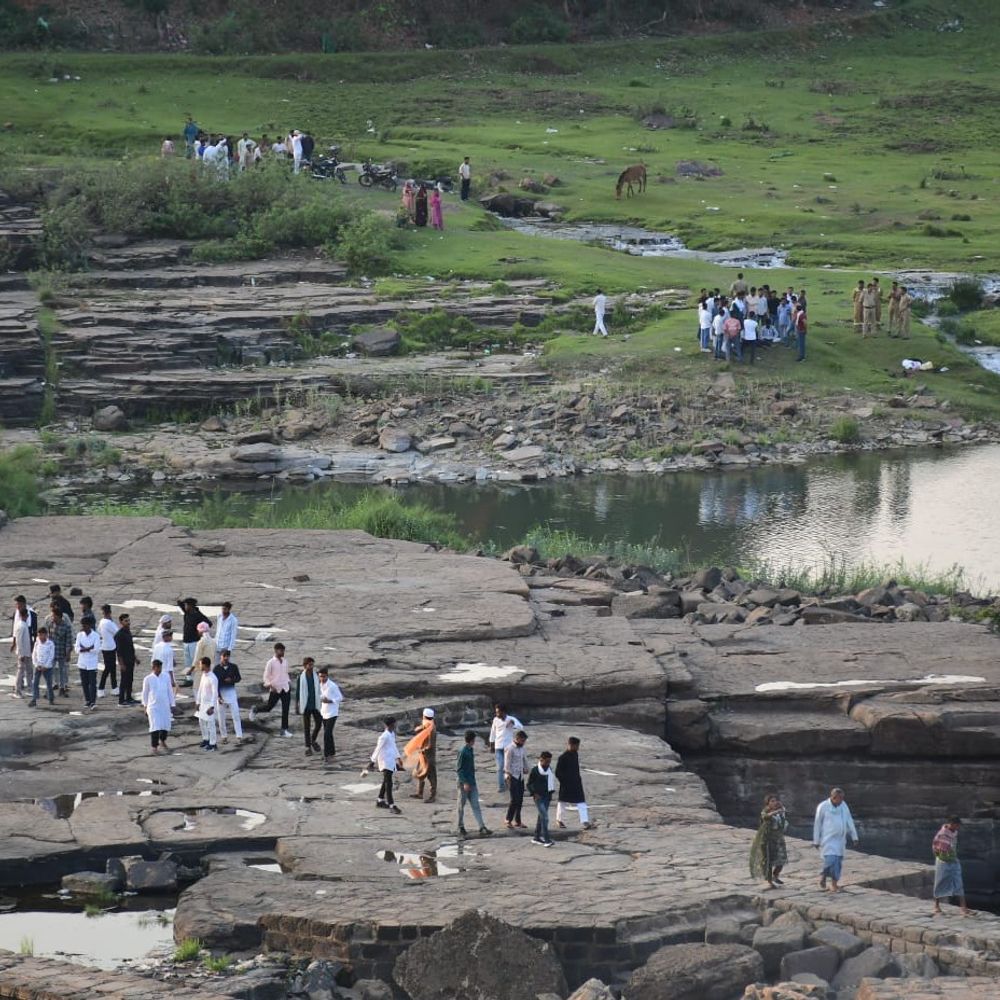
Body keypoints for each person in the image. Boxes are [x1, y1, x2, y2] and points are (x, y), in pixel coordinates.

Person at [813, 787, 859, 892]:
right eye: (840, 798)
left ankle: (834, 884)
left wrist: (854, 836)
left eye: (842, 798)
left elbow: (849, 820)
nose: (842, 800)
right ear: (833, 797)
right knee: (830, 860)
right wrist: (816, 840)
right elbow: (817, 824)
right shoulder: (823, 807)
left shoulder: (843, 806)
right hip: (828, 839)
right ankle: (824, 874)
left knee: (837, 863)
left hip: (840, 840)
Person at [250, 642, 293, 737]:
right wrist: (270, 685)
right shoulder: (270, 663)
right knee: (269, 707)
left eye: (283, 650)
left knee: (285, 710)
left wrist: (288, 682)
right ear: (276, 650)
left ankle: (284, 730)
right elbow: (266, 676)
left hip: (285, 688)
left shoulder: (285, 661)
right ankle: (256, 709)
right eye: (281, 650)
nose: (283, 652)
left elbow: (285, 673)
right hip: (275, 688)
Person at [456, 730, 491, 838]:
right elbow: (459, 769)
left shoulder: (470, 750)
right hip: (464, 783)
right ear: (472, 740)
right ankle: (460, 826)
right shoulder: (463, 752)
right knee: (461, 806)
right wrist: (465, 782)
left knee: (475, 804)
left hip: (472, 781)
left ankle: (482, 826)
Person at [932, 816, 969, 916]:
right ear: (952, 824)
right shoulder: (942, 834)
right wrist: (942, 856)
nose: (958, 827)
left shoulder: (954, 833)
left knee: (959, 882)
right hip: (943, 861)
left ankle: (963, 908)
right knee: (940, 882)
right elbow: (935, 846)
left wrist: (952, 856)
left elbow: (953, 846)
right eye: (957, 825)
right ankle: (936, 906)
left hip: (953, 860)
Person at [750, 793, 788, 889]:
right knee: (768, 861)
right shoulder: (765, 812)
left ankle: (776, 876)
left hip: (778, 839)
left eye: (775, 801)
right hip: (767, 840)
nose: (774, 803)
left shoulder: (780, 811)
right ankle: (769, 880)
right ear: (768, 803)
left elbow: (783, 824)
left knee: (781, 860)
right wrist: (775, 812)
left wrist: (781, 812)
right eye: (772, 801)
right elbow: (765, 817)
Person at [555, 736, 593, 830]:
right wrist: (564, 781)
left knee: (581, 802)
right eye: (576, 746)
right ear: (570, 745)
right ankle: (559, 820)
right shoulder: (562, 757)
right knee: (562, 802)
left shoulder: (575, 754)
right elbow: (557, 772)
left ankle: (585, 821)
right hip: (566, 783)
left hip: (576, 783)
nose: (578, 747)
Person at [371, 716, 403, 813]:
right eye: (394, 723)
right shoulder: (384, 736)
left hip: (391, 760)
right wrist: (372, 761)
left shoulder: (392, 734)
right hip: (385, 761)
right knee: (389, 783)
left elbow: (394, 746)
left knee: (386, 781)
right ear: (392, 724)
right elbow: (378, 749)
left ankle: (380, 800)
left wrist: (398, 757)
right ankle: (391, 805)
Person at [489, 703, 523, 794]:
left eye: (498, 712)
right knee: (500, 767)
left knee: (508, 767)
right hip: (498, 746)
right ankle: (501, 786)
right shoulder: (495, 720)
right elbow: (493, 731)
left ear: (503, 712)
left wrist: (513, 723)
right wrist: (491, 744)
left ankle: (511, 784)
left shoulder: (511, 719)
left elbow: (521, 727)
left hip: (508, 747)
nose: (497, 714)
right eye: (496, 712)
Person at [142, 659, 174, 754]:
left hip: (164, 705)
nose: (159, 669)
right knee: (154, 726)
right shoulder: (148, 679)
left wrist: (172, 704)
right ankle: (154, 747)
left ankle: (162, 741)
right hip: (153, 706)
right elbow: (145, 693)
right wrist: (145, 706)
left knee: (165, 725)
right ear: (153, 668)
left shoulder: (166, 676)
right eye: (157, 668)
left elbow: (170, 691)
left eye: (160, 667)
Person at [405, 707, 436, 802]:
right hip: (423, 755)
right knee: (420, 773)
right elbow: (418, 730)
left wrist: (423, 749)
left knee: (431, 776)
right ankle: (420, 793)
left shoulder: (431, 728)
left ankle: (432, 796)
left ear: (424, 716)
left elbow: (430, 744)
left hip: (428, 755)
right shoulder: (428, 725)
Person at [214, 648, 244, 745]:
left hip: (231, 694)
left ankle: (239, 736)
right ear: (221, 657)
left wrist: (231, 680)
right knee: (221, 717)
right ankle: (224, 736)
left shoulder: (234, 667)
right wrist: (218, 696)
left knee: (236, 715)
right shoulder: (216, 669)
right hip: (221, 695)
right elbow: (215, 684)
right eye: (224, 656)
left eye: (227, 656)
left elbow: (238, 678)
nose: (226, 658)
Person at [527, 750, 556, 847]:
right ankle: (547, 840)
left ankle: (536, 837)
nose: (548, 764)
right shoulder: (535, 770)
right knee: (545, 818)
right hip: (538, 797)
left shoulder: (549, 770)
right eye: (546, 761)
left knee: (541, 817)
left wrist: (550, 794)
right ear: (541, 759)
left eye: (549, 762)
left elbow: (550, 783)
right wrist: (534, 793)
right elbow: (529, 784)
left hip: (547, 797)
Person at [296, 656, 323, 757]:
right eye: (309, 665)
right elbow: (298, 692)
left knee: (319, 723)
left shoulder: (316, 676)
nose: (311, 666)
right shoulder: (301, 677)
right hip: (306, 704)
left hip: (315, 703)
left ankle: (313, 740)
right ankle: (308, 747)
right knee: (306, 727)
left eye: (312, 665)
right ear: (305, 665)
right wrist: (297, 705)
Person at [317, 667, 344, 765]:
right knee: (328, 733)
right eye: (320, 677)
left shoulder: (332, 686)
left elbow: (340, 697)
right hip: (323, 712)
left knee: (327, 734)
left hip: (332, 712)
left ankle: (326, 755)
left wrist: (331, 701)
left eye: (324, 676)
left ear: (327, 675)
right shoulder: (319, 685)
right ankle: (332, 752)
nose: (322, 678)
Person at [178, 597, 211, 673]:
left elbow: (209, 623)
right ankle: (188, 679)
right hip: (186, 641)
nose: (185, 606)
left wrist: (200, 631)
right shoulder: (187, 613)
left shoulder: (198, 615)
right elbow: (182, 606)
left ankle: (195, 678)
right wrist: (180, 603)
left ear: (190, 606)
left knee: (194, 661)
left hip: (194, 642)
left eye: (186, 605)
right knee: (187, 662)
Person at [46, 604, 73, 698]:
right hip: (52, 652)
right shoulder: (50, 624)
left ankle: (62, 688)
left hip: (62, 652)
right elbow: (48, 638)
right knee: (50, 670)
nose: (52, 617)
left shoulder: (66, 626)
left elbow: (69, 641)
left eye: (53, 616)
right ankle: (50, 688)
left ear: (58, 616)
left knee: (62, 670)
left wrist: (68, 653)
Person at [504, 729, 528, 829]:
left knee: (520, 799)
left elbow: (524, 759)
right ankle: (508, 819)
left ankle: (518, 820)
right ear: (517, 739)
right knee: (514, 799)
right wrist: (507, 774)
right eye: (522, 740)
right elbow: (507, 763)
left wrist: (527, 768)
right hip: (511, 776)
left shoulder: (522, 748)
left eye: (524, 741)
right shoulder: (510, 748)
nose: (523, 743)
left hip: (520, 776)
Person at [75, 615, 100, 709]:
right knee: (84, 683)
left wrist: (85, 649)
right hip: (82, 663)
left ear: (89, 625)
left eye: (85, 626)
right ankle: (87, 700)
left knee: (92, 683)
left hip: (92, 663)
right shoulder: (79, 635)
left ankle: (93, 702)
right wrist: (88, 648)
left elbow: (96, 649)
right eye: (82, 626)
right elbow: (77, 649)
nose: (83, 628)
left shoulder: (96, 636)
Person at [194, 656, 219, 751]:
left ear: (205, 665)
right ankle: (206, 739)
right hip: (203, 703)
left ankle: (213, 743)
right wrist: (198, 702)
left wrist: (212, 707)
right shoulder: (204, 675)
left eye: (200, 664)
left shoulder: (213, 678)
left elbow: (215, 693)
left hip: (209, 704)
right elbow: (200, 689)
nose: (200, 666)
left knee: (210, 724)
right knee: (201, 722)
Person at [10, 599, 32, 698]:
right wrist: (22, 654)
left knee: (28, 670)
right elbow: (19, 641)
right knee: (20, 672)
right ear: (25, 616)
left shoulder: (23, 625)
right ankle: (17, 691)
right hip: (23, 653)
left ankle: (29, 689)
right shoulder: (21, 626)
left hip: (26, 652)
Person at [29, 626, 55, 707]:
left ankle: (51, 698)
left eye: (42, 635)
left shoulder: (50, 644)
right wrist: (36, 665)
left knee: (49, 683)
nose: (40, 637)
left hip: (47, 667)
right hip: (38, 666)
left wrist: (46, 666)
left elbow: (51, 656)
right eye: (39, 635)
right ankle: (34, 699)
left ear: (46, 635)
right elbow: (34, 655)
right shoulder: (37, 643)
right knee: (35, 682)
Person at [115, 612, 137, 705]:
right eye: (126, 621)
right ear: (121, 622)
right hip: (124, 661)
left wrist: (135, 658)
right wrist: (121, 664)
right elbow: (119, 651)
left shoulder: (128, 632)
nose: (128, 622)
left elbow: (131, 647)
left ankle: (129, 697)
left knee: (130, 679)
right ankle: (121, 700)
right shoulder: (119, 635)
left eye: (128, 620)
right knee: (124, 680)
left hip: (131, 660)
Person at [96, 604, 118, 698]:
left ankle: (114, 687)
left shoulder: (102, 621)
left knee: (112, 668)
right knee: (108, 668)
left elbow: (98, 631)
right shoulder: (108, 623)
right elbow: (117, 632)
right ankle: (101, 688)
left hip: (107, 647)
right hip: (109, 648)